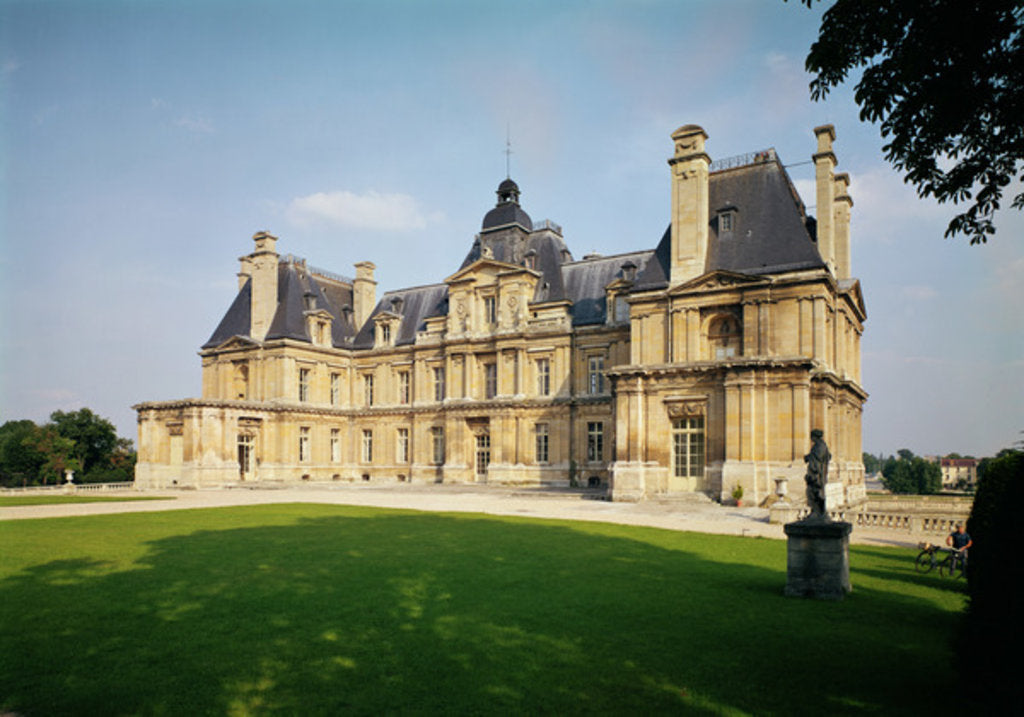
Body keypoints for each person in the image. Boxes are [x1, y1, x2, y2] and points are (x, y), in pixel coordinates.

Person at [803, 429, 830, 520]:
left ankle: (817, 512)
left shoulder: (819, 446)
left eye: (812, 437)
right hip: (819, 474)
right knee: (815, 493)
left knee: (815, 493)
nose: (811, 439)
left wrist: (808, 457)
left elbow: (816, 458)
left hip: (817, 474)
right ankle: (818, 511)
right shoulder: (821, 445)